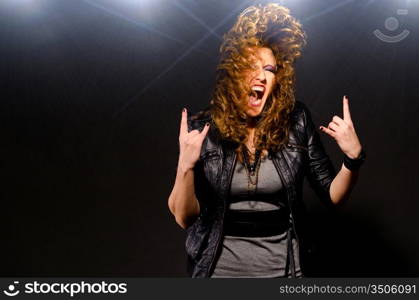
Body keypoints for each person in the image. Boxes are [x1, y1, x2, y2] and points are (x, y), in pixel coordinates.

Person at [168, 3, 365, 278]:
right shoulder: (203, 130)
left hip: (285, 273)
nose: (260, 76)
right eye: (250, 67)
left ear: (278, 79)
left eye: (269, 69)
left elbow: (332, 196)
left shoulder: (297, 121)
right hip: (218, 273)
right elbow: (184, 217)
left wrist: (353, 159)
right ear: (234, 74)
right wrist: (185, 166)